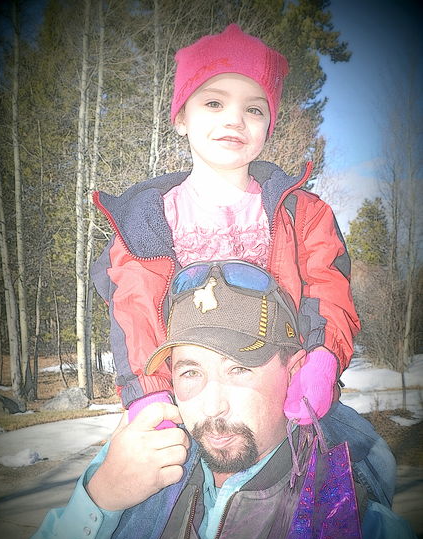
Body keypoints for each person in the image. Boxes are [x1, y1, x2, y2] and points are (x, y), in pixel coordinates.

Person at [19, 260, 419, 539]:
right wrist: (101, 497)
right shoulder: (136, 472)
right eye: (190, 371)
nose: (212, 405)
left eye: (239, 369)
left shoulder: (364, 535)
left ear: (293, 373)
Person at [91, 23, 361, 426]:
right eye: (214, 103)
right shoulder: (144, 223)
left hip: (283, 398)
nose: (234, 119)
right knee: (124, 484)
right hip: (190, 406)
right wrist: (149, 398)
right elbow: (135, 313)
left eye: (253, 108)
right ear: (181, 116)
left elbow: (327, 289)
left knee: (370, 463)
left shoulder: (303, 214)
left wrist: (322, 359)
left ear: (268, 125)